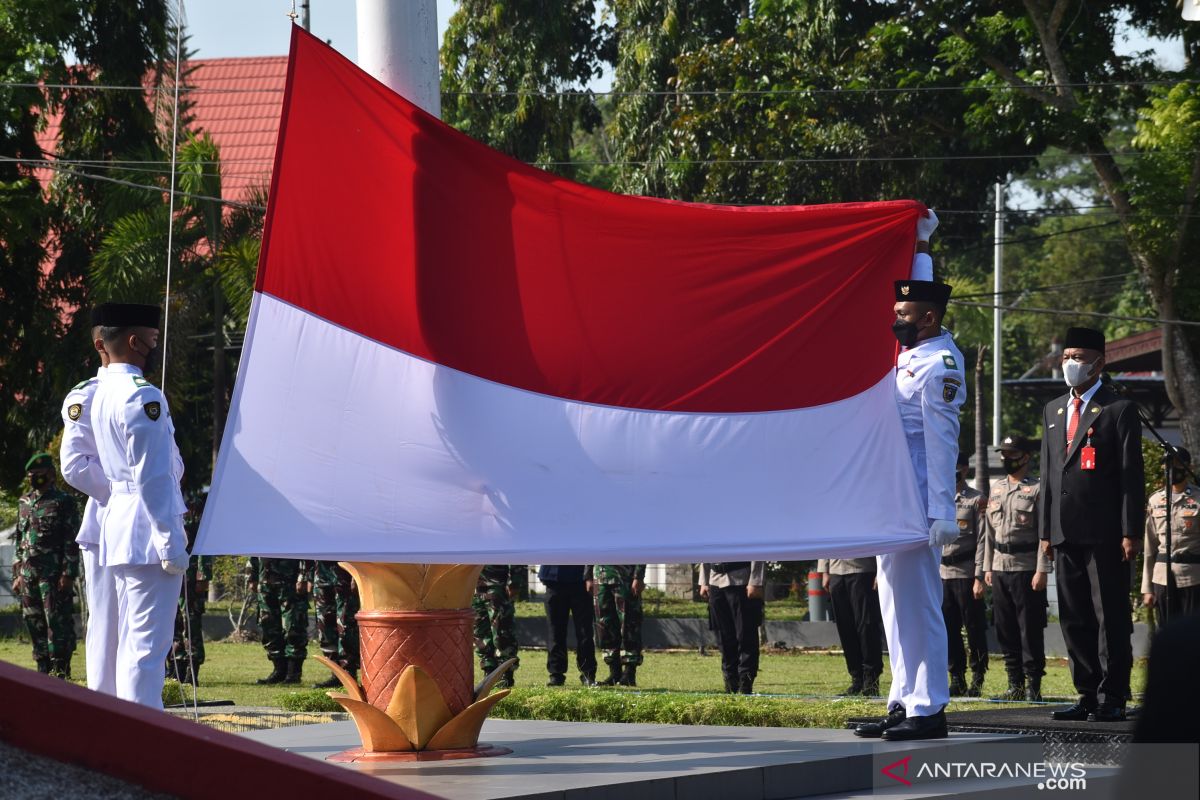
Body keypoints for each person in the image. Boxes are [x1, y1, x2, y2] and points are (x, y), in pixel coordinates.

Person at [856, 209, 964, 741]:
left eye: (904, 312)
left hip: (921, 494)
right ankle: (902, 697)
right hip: (892, 491)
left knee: (918, 600)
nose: (895, 317)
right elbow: (920, 284)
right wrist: (918, 243)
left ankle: (930, 707)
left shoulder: (941, 364)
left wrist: (943, 509)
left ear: (927, 319)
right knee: (890, 596)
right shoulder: (908, 353)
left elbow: (942, 441)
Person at [1039, 326, 1145, 723]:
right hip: (1064, 532)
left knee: (1110, 617)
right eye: (1067, 355)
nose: (1071, 363)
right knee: (1074, 616)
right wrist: (1045, 533)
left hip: (1106, 533)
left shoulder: (1119, 409)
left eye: (1079, 356)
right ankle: (1086, 693)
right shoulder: (1053, 409)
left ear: (1099, 363)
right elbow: (1050, 476)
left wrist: (1130, 531)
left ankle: (1113, 695)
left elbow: (1130, 477)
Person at [90, 303, 190, 708]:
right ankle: (146, 743)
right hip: (146, 534)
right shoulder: (142, 396)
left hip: (121, 526)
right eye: (152, 339)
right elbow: (153, 478)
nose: (155, 346)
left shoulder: (101, 391)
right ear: (134, 341)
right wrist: (170, 542)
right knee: (147, 651)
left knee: (130, 645)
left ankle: (127, 733)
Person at [58, 319, 116, 693]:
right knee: (108, 622)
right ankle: (107, 708)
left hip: (149, 526)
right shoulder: (87, 396)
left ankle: (140, 711)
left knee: (139, 630)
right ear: (102, 345)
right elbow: (75, 465)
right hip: (107, 525)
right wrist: (126, 496)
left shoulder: (146, 394)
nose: (146, 348)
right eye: (140, 339)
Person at [982, 433, 1051, 701]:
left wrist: (1042, 569)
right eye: (1004, 454)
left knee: (1029, 628)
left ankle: (1033, 685)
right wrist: (987, 567)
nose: (1005, 458)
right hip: (999, 567)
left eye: (1011, 454)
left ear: (1025, 457)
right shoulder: (996, 488)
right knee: (1005, 628)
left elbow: (1044, 534)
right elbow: (988, 532)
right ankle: (1015, 684)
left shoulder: (1036, 489)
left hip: (1026, 569)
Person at [12, 453, 81, 678]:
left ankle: (61, 669)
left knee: (57, 623)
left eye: (38, 475)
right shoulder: (23, 502)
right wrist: (17, 573)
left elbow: (71, 540)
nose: (33, 479)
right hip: (28, 576)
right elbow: (20, 540)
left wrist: (68, 573)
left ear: (50, 475)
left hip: (53, 576)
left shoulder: (64, 502)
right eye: (31, 475)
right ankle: (42, 669)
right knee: (34, 622)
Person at [942, 453, 987, 698]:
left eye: (955, 468)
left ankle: (977, 678)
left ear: (965, 470)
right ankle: (956, 677)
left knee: (974, 628)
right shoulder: (939, 499)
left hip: (966, 572)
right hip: (943, 573)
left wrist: (979, 576)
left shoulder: (976, 500)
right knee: (949, 628)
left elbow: (982, 540)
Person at [1142, 447, 1200, 622]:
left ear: (1186, 467)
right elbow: (1149, 547)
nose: (1170, 470)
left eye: (1175, 464)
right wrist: (1147, 588)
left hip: (1193, 576)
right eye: (1167, 465)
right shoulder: (1155, 500)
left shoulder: (1198, 498)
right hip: (1162, 577)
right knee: (1166, 632)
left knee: (1191, 633)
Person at [818, 557, 884, 697]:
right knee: (845, 628)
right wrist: (824, 570)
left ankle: (871, 681)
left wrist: (881, 571)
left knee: (867, 627)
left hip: (863, 569)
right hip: (836, 570)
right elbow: (824, 535)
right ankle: (856, 680)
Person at [699, 561, 766, 694]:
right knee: (724, 638)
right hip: (715, 580)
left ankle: (745, 686)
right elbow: (706, 546)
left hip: (742, 581)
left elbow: (757, 550)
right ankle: (730, 685)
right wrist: (704, 580)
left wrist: (756, 581)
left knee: (745, 636)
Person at [167, 490, 212, 686]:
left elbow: (204, 540)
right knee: (172, 621)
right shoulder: (164, 496)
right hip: (168, 573)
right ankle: (177, 667)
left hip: (191, 576)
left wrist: (203, 574)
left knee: (190, 622)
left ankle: (192, 670)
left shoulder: (193, 503)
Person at [247, 557, 310, 685]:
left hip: (291, 582)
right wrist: (251, 576)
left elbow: (303, 551)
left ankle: (293, 673)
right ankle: (279, 671)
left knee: (293, 627)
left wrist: (303, 577)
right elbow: (254, 550)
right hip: (265, 582)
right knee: (269, 627)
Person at [538, 564, 597, 687]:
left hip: (581, 580)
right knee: (555, 632)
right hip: (554, 579)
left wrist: (589, 576)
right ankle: (556, 674)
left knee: (584, 632)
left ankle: (587, 673)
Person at [590, 564, 645, 686]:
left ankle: (629, 673)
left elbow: (641, 548)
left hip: (626, 577)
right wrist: (588, 576)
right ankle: (614, 672)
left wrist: (638, 576)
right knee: (605, 624)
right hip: (600, 576)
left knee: (629, 623)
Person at [472, 564, 525, 688]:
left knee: (502, 631)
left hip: (498, 586)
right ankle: (488, 670)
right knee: (479, 632)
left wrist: (515, 582)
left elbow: (517, 554)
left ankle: (505, 673)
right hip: (474, 586)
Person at [311, 560, 360, 688]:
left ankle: (349, 673)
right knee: (324, 624)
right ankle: (336, 673)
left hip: (345, 573)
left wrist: (356, 574)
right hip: (322, 574)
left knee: (346, 625)